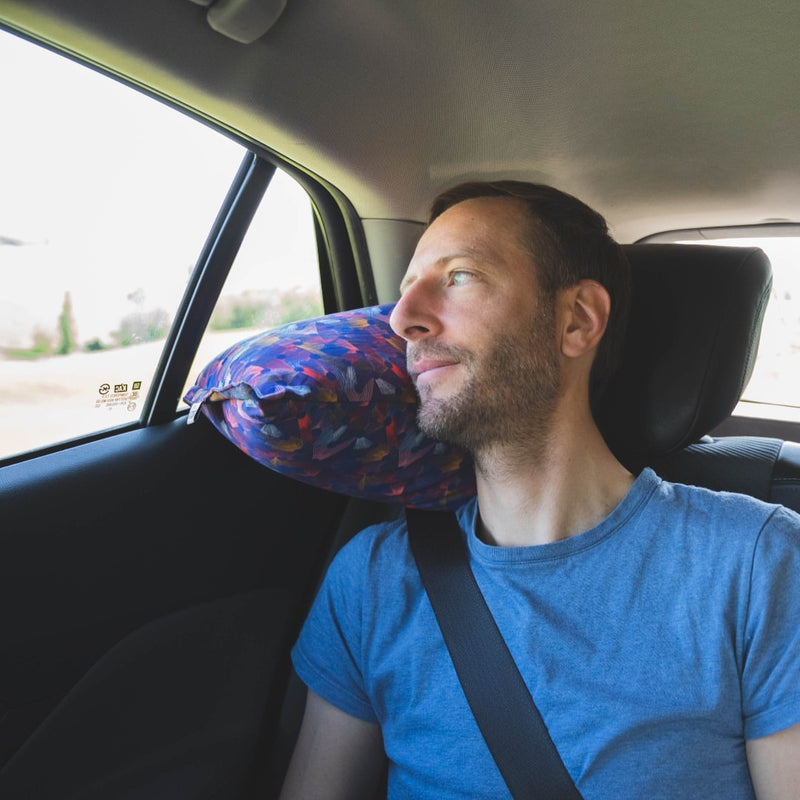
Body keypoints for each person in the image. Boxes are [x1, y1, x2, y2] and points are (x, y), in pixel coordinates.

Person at [279, 181, 800, 799]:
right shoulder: (371, 580)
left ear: (577, 320)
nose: (401, 319)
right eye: (405, 288)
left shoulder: (757, 564)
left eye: (460, 276)